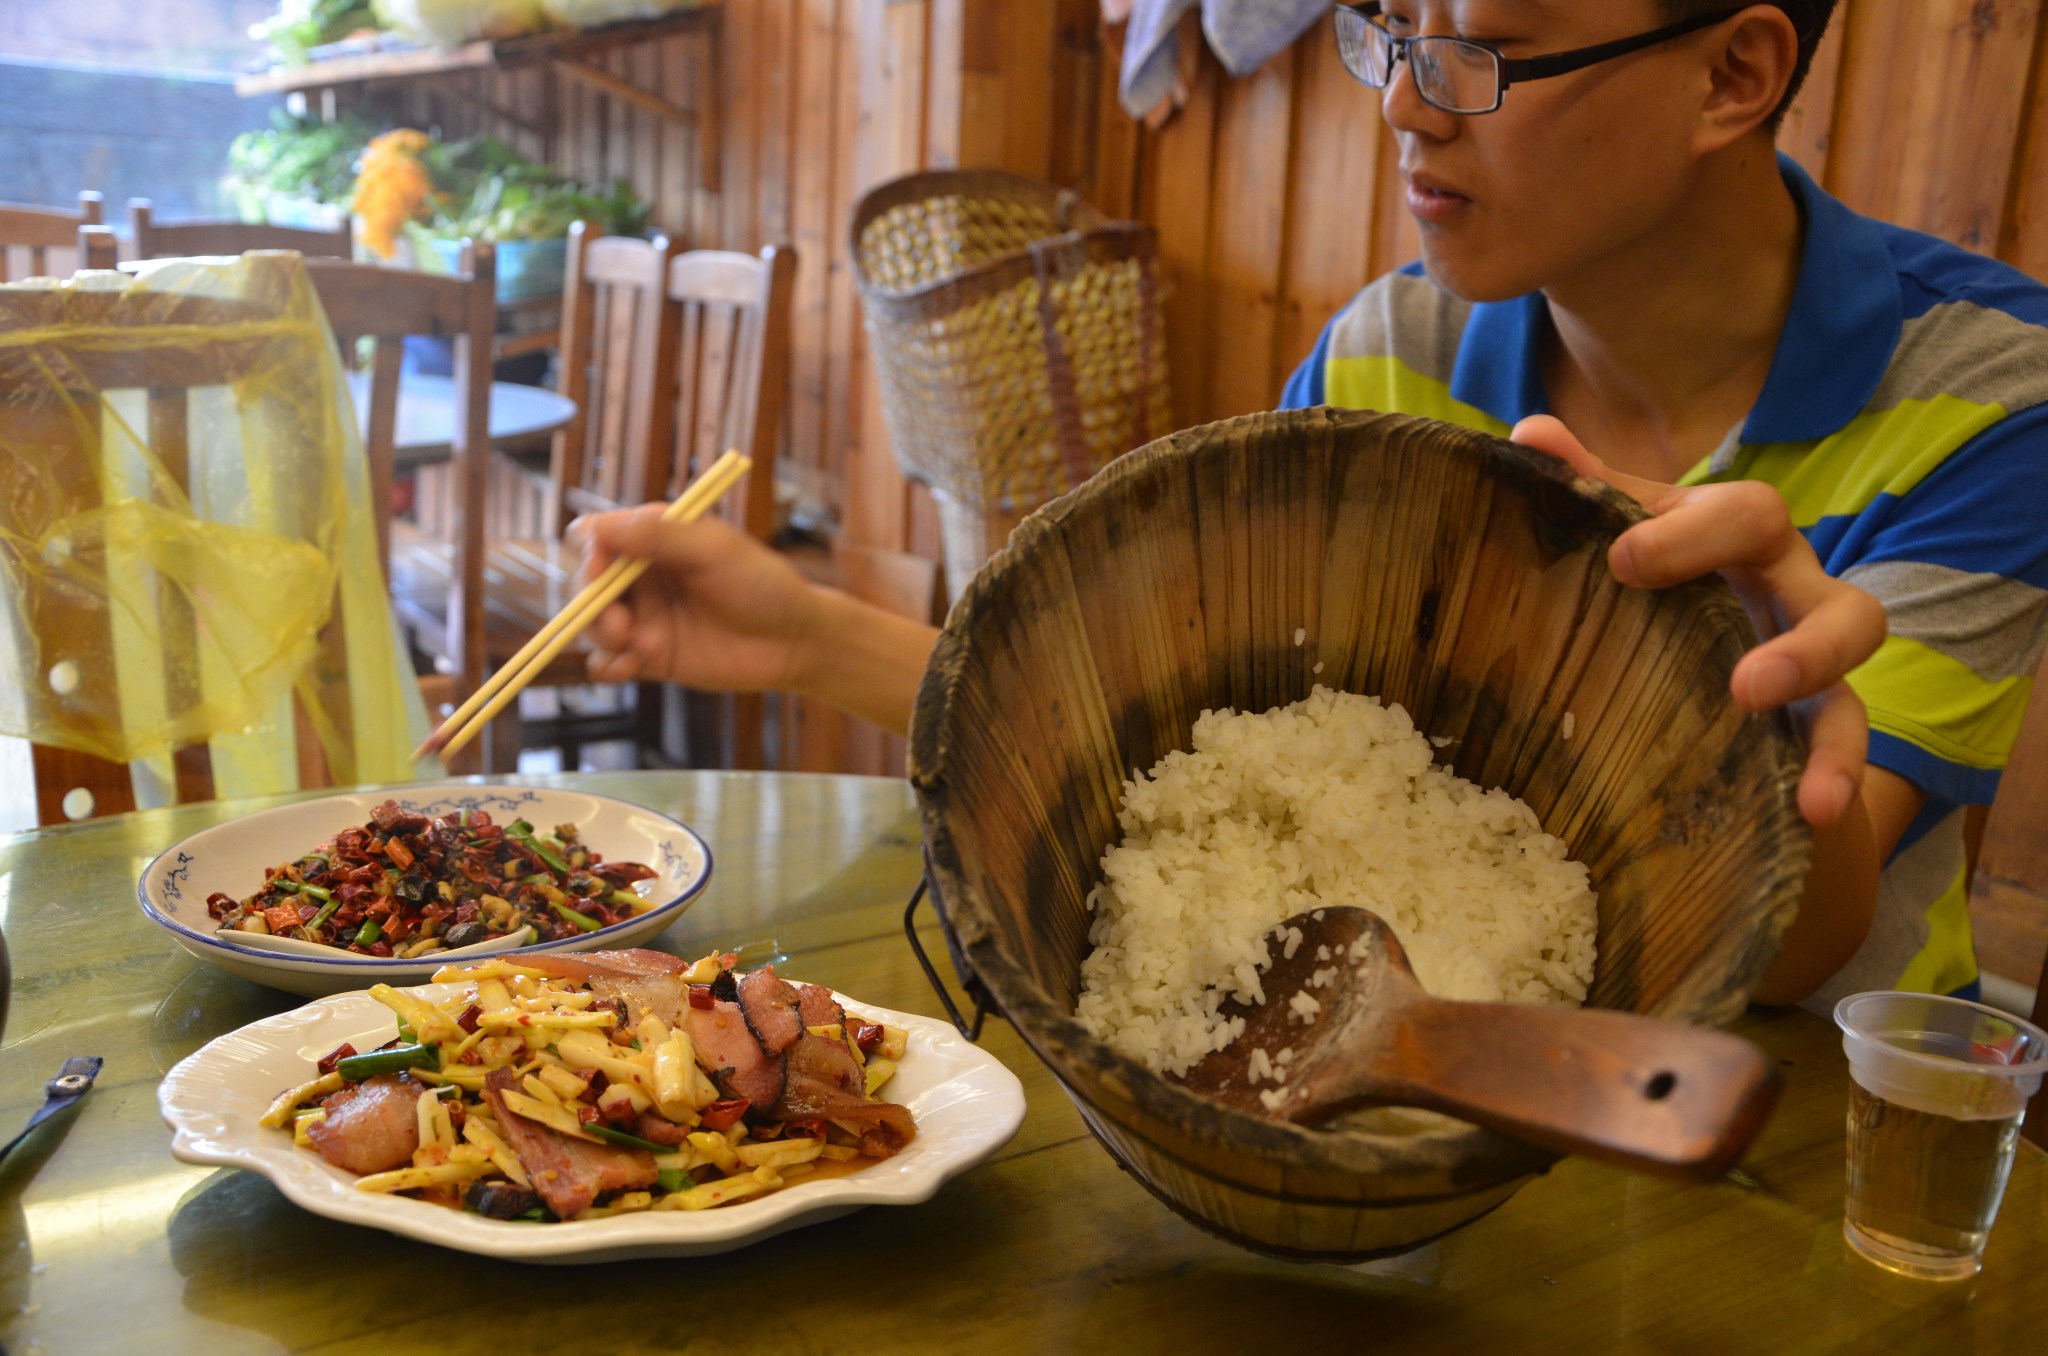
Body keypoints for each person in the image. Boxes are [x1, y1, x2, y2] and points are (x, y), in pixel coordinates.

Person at [573, 0, 2048, 1010]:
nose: (1405, 107)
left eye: (1482, 50)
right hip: (1400, 1124)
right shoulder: (1386, 356)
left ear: (1730, 74)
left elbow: (1792, 955)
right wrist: (810, 635)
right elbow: (1151, 737)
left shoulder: (1996, 400)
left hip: (1799, 1152)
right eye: (1392, 33)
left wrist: (1773, 725)